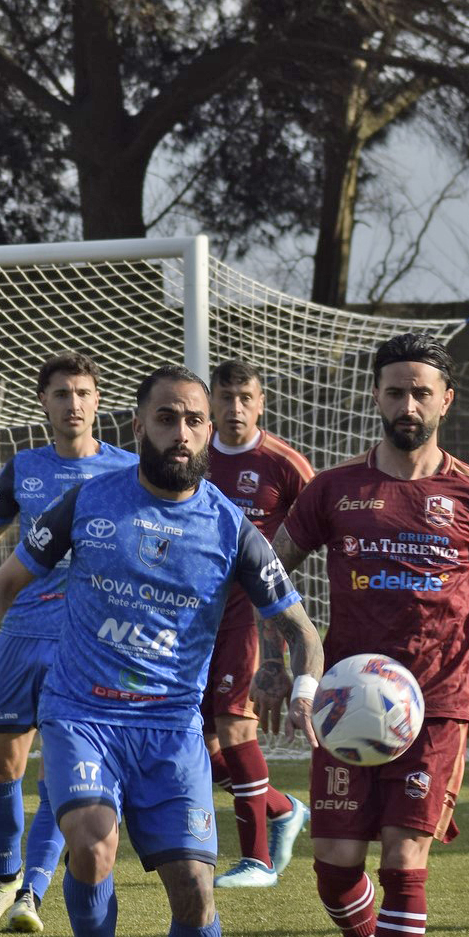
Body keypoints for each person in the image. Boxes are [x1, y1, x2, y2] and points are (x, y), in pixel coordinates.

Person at [0, 367, 323, 937]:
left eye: (195, 419)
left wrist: (308, 686)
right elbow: (4, 584)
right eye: (168, 418)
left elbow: (297, 628)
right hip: (83, 714)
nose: (184, 432)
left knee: (195, 889)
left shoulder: (231, 526)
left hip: (169, 732)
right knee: (92, 844)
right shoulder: (89, 501)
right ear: (139, 426)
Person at [261, 330, 469, 937]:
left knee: (404, 856)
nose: (408, 403)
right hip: (348, 703)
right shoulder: (335, 490)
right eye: (395, 390)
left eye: (422, 391)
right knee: (334, 863)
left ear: (446, 399)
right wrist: (275, 659)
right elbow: (271, 572)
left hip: (439, 703)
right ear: (376, 397)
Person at [0, 354, 136, 933]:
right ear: (43, 402)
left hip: (87, 643)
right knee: (1, 767)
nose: (74, 404)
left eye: (84, 393)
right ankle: (4, 876)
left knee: (61, 772)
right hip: (19, 636)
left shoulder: (128, 471)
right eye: (63, 393)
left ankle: (32, 893)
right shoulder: (23, 470)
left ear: (98, 401)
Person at [204, 358, 317, 888]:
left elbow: (324, 525)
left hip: (248, 618)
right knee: (196, 749)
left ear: (261, 402)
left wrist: (284, 635)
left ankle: (257, 861)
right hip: (187, 615)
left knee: (235, 727)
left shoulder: (283, 463)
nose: (235, 409)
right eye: (225, 399)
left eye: (245, 398)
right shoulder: (191, 456)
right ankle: (283, 809)